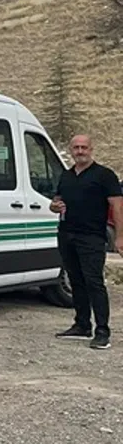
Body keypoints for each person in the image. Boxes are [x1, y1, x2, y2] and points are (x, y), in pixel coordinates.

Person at [52, 135, 123, 350]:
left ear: (91, 149)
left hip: (91, 237)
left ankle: (103, 331)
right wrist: (53, 206)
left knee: (94, 282)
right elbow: (56, 201)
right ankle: (82, 325)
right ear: (70, 150)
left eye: (84, 147)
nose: (80, 151)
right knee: (76, 280)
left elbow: (118, 208)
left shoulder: (105, 175)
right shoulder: (66, 176)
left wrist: (120, 237)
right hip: (67, 234)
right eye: (76, 147)